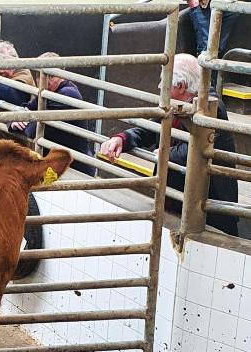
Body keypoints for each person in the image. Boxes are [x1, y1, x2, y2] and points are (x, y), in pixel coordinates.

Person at [99, 53, 238, 236]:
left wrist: (167, 153)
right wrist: (122, 139)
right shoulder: (179, 102)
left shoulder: (210, 107)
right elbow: (152, 128)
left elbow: (200, 148)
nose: (159, 86)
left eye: (163, 81)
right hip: (178, 199)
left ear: (181, 87)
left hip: (209, 209)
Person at [9, 52, 96, 176]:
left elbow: (34, 131)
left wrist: (23, 121)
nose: (46, 81)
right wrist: (14, 121)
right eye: (41, 76)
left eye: (52, 76)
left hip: (75, 169)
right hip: (59, 165)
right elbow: (24, 109)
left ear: (62, 75)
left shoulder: (67, 95)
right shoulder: (47, 93)